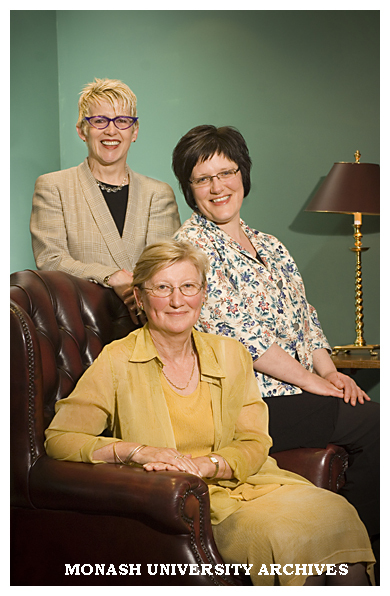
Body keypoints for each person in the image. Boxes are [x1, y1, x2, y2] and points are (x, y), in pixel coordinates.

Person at [45, 239, 375, 586]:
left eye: (188, 286)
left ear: (202, 294)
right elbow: (61, 439)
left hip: (251, 481)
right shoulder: (116, 360)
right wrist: (136, 451)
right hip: (189, 505)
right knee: (285, 536)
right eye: (162, 287)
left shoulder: (231, 353)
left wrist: (212, 464)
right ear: (140, 298)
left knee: (338, 516)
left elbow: (254, 439)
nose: (177, 300)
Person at [172, 125, 379, 557]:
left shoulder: (271, 245)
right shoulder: (189, 250)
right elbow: (240, 337)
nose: (218, 187)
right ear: (189, 190)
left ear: (243, 175)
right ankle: (362, 550)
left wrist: (331, 373)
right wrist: (311, 381)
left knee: (365, 410)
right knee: (376, 423)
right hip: (251, 403)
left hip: (296, 388)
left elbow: (308, 320)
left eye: (226, 173)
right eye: (203, 178)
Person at [30, 78, 180, 310]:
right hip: (80, 323)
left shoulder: (158, 194)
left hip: (147, 321)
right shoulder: (53, 187)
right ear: (82, 130)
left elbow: (163, 267)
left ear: (134, 131)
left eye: (122, 121)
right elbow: (51, 260)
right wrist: (111, 276)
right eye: (100, 120)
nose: (111, 130)